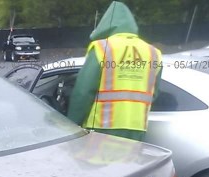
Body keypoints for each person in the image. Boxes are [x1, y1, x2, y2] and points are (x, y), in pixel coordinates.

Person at [67, 1, 162, 141]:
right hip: (137, 129)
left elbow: (83, 92)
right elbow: (153, 93)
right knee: (129, 163)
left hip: (101, 127)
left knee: (96, 162)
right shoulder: (153, 53)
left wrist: (71, 125)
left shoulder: (102, 48)